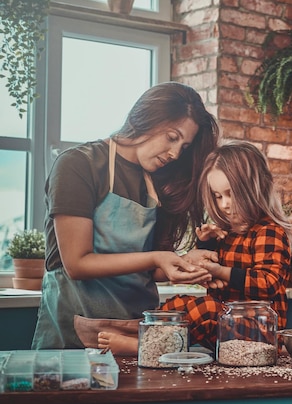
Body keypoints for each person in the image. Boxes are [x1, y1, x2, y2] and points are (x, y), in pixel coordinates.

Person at [32, 82, 220, 350]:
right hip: (77, 334)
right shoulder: (79, 165)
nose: (175, 153)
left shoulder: (161, 182)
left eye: (184, 146)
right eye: (171, 137)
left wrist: (182, 263)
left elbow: (149, 269)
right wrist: (156, 258)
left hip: (136, 333)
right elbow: (76, 264)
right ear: (145, 118)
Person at [99, 140, 292, 353]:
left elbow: (268, 283)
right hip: (227, 329)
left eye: (231, 194)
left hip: (260, 332)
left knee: (206, 309)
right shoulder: (226, 234)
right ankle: (148, 338)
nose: (224, 204)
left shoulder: (269, 231)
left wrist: (221, 271)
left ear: (254, 188)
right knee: (177, 305)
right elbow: (216, 283)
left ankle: (144, 347)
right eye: (218, 196)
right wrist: (206, 246)